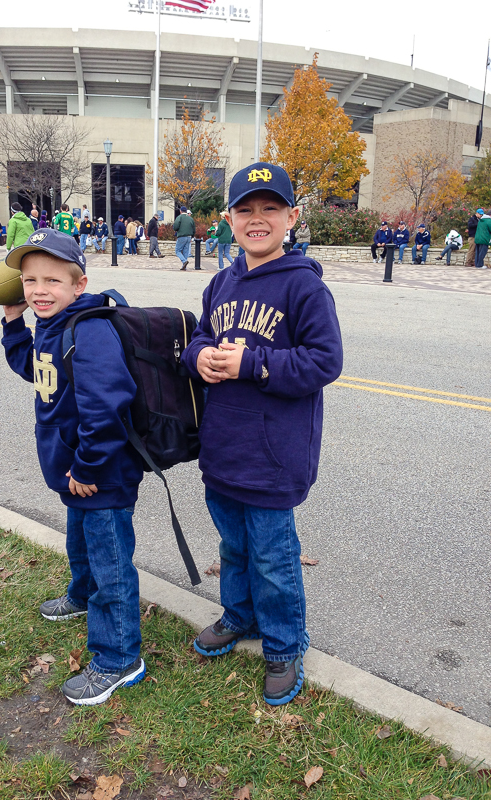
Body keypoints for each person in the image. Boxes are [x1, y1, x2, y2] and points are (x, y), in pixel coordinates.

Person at [181, 162, 343, 707]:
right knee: (233, 547)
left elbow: (325, 361)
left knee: (273, 557)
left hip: (274, 456)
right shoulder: (220, 282)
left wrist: (253, 364)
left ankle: (283, 644)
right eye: (245, 209)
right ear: (228, 219)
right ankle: (239, 616)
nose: (257, 219)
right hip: (223, 447)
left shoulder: (304, 286)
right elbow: (199, 336)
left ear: (291, 216)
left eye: (269, 208)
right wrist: (198, 355)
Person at [0, 229, 145, 706]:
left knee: (110, 561)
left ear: (79, 284)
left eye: (52, 281)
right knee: (80, 538)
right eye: (29, 280)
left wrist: (87, 467)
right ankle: (81, 594)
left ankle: (120, 657)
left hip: (99, 470)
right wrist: (12, 324)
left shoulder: (90, 328)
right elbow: (37, 370)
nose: (39, 290)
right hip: (74, 470)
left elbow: (107, 407)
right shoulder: (51, 322)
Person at [174, 206, 196, 270]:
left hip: (182, 236)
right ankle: (184, 267)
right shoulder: (190, 219)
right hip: (189, 236)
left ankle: (184, 261)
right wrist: (192, 236)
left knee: (177, 250)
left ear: (180, 211)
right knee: (186, 252)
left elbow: (175, 227)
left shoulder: (179, 217)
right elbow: (194, 229)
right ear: (186, 211)